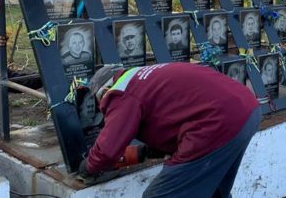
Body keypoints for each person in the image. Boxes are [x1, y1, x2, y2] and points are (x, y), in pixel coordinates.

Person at [78, 63, 261, 197]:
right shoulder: (143, 78)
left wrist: (88, 167)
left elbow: (107, 150)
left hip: (217, 123)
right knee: (214, 191)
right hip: (246, 110)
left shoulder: (119, 92)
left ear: (104, 90)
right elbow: (173, 118)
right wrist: (143, 153)